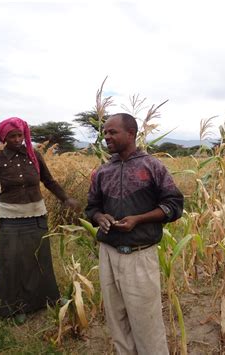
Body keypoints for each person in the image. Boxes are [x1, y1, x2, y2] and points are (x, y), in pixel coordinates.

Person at [85, 113, 183, 355]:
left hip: (140, 256)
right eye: (105, 132)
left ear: (131, 133)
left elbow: (174, 205)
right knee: (117, 322)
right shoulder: (103, 171)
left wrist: (138, 220)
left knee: (146, 325)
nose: (106, 136)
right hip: (108, 255)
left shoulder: (152, 166)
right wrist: (100, 218)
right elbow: (91, 208)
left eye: (112, 132)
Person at [0, 117, 79, 323]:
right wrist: (6, 208)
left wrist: (65, 198)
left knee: (40, 256)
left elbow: (48, 180)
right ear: (4, 138)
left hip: (37, 213)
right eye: (12, 136)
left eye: (20, 135)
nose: (18, 139)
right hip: (10, 217)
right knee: (12, 261)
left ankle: (49, 299)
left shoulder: (33, 155)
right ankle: (16, 305)